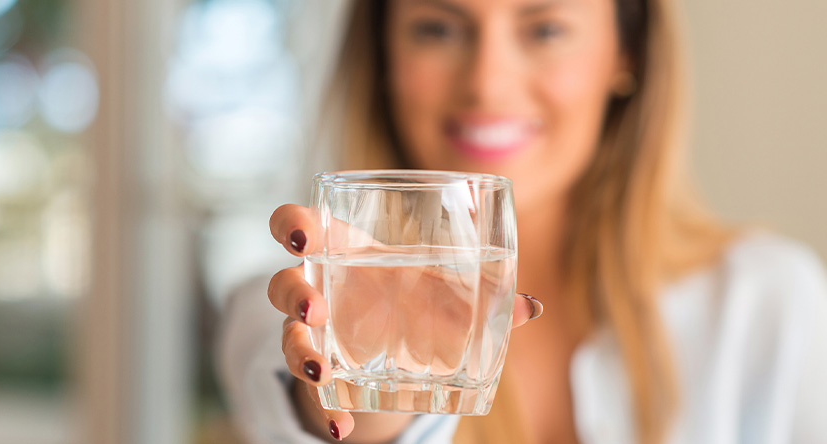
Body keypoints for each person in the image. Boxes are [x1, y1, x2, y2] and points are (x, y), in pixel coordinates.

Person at [215, 0, 827, 443]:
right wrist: (369, 393)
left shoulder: (770, 302)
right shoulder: (290, 306)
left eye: (546, 29)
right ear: (383, 57)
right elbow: (309, 418)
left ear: (627, 52)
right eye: (437, 28)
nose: (487, 82)